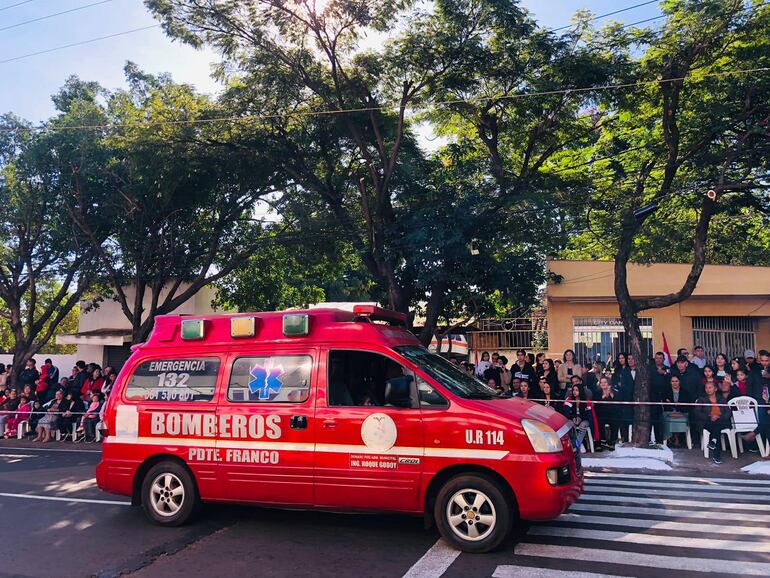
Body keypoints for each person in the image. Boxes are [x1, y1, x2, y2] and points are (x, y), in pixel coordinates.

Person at [693, 381, 730, 464]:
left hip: (721, 420)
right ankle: (716, 452)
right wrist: (709, 416)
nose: (708, 389)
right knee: (716, 428)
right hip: (708, 421)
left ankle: (713, 442)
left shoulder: (721, 399)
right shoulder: (702, 399)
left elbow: (728, 412)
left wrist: (719, 417)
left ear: (715, 389)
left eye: (710, 387)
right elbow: (697, 412)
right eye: (706, 387)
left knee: (717, 424)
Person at [561, 384, 597, 450]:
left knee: (582, 425)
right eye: (573, 390)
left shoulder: (586, 400)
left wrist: (580, 419)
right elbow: (566, 413)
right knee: (570, 425)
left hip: (584, 419)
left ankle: (576, 445)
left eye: (577, 390)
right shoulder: (569, 399)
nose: (574, 392)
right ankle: (577, 443)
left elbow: (589, 415)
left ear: (580, 391)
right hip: (573, 419)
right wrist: (573, 418)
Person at [661, 375, 693, 447]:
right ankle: (673, 438)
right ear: (670, 382)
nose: (674, 383)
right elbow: (665, 406)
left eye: (676, 381)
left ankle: (677, 438)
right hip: (669, 412)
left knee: (681, 419)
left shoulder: (685, 392)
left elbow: (687, 406)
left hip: (682, 412)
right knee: (668, 419)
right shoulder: (666, 392)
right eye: (672, 381)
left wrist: (678, 409)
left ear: (679, 382)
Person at [594, 377, 621, 450]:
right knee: (599, 423)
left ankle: (612, 442)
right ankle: (599, 443)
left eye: (605, 382)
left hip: (612, 414)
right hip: (601, 414)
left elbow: (618, 405)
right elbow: (596, 405)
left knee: (615, 422)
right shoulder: (597, 392)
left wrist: (611, 396)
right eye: (601, 382)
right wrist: (603, 397)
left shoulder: (615, 392)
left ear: (609, 383)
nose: (603, 384)